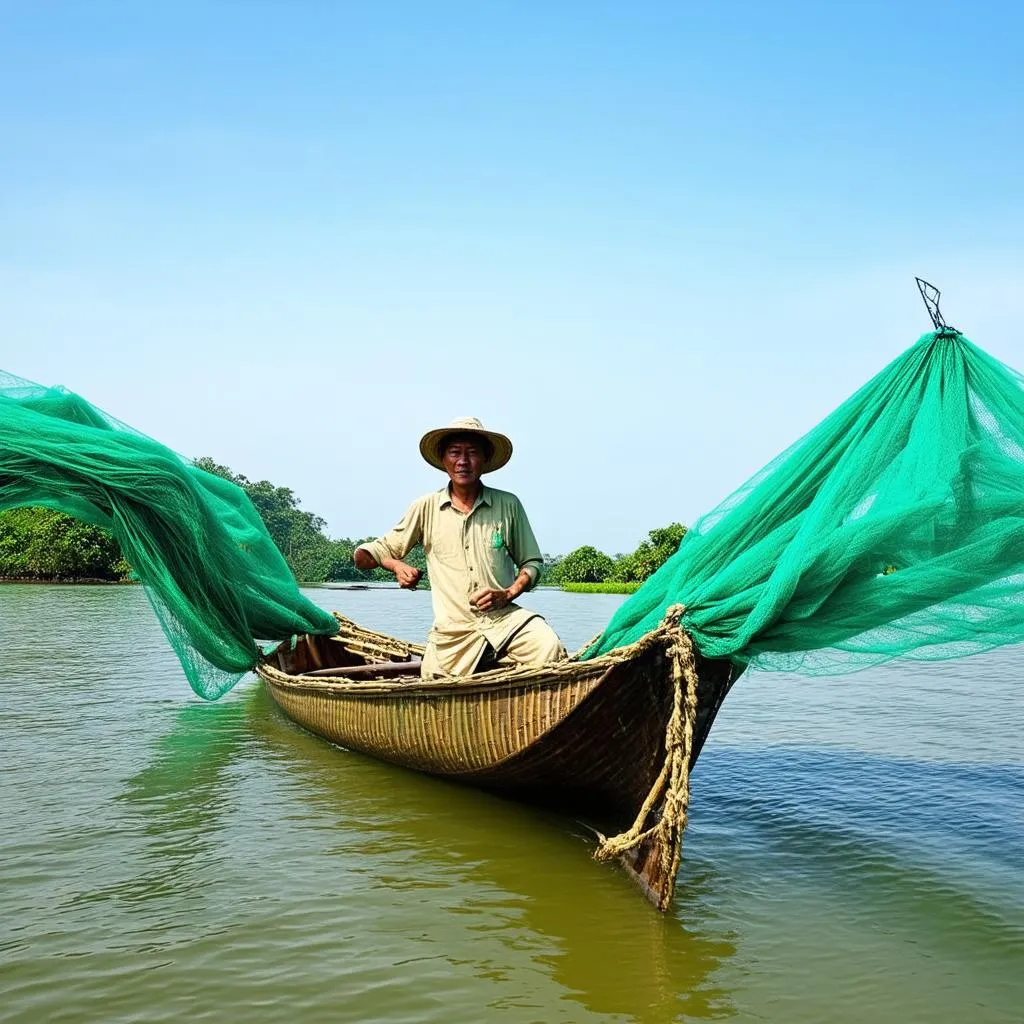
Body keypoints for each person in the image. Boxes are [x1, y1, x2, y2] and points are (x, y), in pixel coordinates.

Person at [354, 417, 565, 678]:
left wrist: (508, 593)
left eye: (472, 453)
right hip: (453, 633)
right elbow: (364, 556)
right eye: (455, 453)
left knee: (549, 648)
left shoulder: (508, 505)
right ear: (443, 459)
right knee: (432, 685)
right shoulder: (426, 508)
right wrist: (397, 566)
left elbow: (533, 563)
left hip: (505, 621)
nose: (463, 461)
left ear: (485, 459)